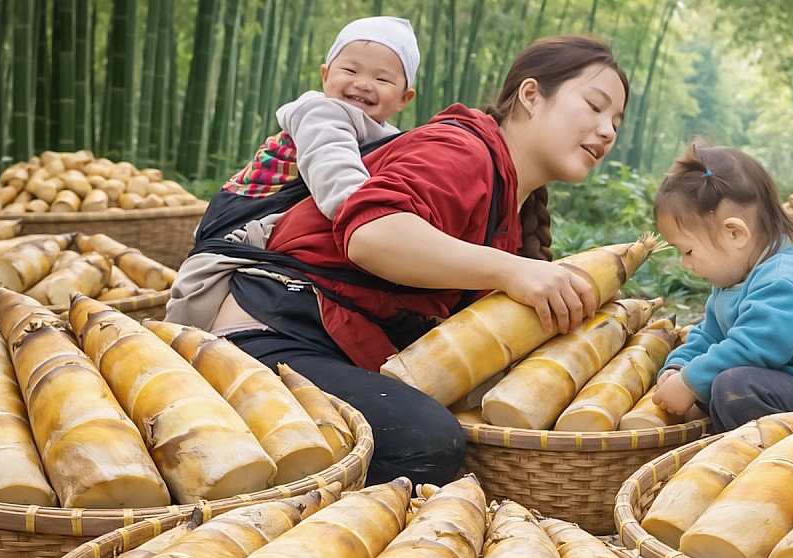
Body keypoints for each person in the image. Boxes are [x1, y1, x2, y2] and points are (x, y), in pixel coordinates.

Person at [187, 36, 629, 487]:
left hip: (340, 346)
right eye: (594, 106)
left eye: (615, 121)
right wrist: (511, 269)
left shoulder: (514, 206)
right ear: (531, 95)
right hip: (273, 333)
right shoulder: (461, 150)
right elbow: (371, 237)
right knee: (425, 441)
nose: (608, 131)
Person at [168, 16, 419, 327]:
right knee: (200, 338)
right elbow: (341, 188)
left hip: (274, 240)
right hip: (237, 240)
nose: (364, 84)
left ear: (404, 98)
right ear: (325, 75)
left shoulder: (389, 137)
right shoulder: (322, 115)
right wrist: (393, 232)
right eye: (350, 71)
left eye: (382, 79)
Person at [650, 142, 793, 432]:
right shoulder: (733, 281)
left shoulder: (786, 279)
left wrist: (690, 382)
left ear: (735, 233)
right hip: (789, 384)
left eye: (688, 251)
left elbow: (754, 348)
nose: (685, 264)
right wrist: (678, 366)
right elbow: (709, 335)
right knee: (720, 383)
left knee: (734, 388)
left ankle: (772, 449)